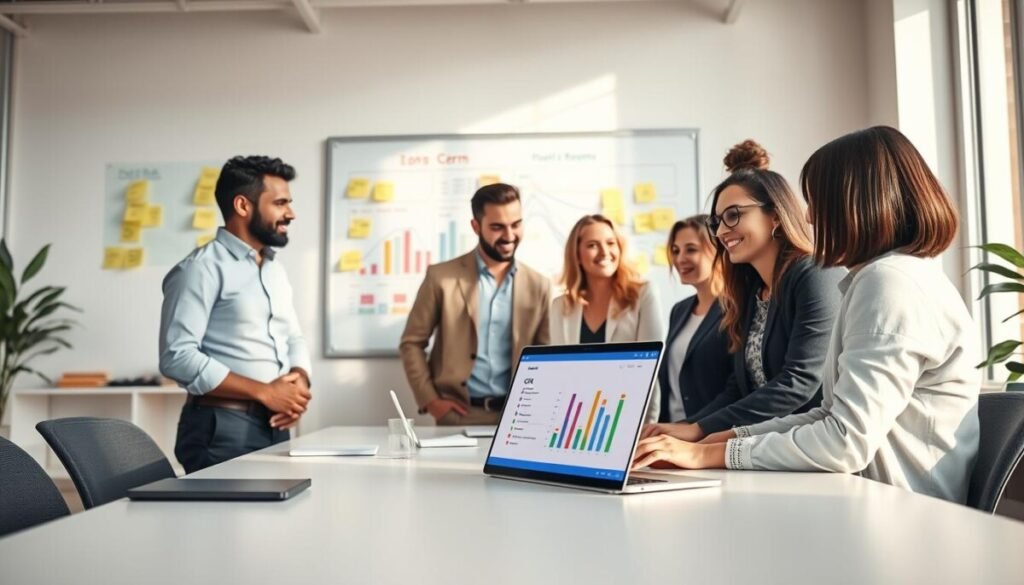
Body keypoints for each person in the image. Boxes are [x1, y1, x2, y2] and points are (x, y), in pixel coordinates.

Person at [633, 126, 980, 503]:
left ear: (860, 202)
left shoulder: (889, 283)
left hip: (904, 513)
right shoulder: (877, 279)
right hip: (869, 499)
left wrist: (708, 451)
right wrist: (729, 436)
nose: (811, 217)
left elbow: (844, 440)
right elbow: (829, 414)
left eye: (818, 201)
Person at [642, 140, 844, 442]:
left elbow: (800, 382)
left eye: (734, 215)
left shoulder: (815, 274)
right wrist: (689, 427)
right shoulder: (751, 290)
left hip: (809, 448)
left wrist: (699, 432)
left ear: (775, 215)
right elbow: (739, 386)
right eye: (717, 222)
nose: (722, 231)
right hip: (761, 446)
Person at [160, 155, 312, 474]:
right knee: (224, 524)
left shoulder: (274, 270)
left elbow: (293, 337)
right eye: (281, 202)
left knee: (273, 522)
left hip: (274, 424)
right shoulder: (200, 269)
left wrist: (298, 384)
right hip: (221, 429)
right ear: (243, 206)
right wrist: (266, 392)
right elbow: (177, 356)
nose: (290, 213)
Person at [399, 183, 551, 425]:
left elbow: (546, 357)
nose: (509, 236)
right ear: (475, 226)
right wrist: (430, 401)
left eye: (516, 224)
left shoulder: (539, 285)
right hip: (458, 415)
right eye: (497, 227)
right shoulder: (441, 277)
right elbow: (412, 343)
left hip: (519, 418)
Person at [549, 214, 664, 422]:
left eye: (611, 243)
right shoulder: (560, 306)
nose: (604, 252)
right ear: (576, 254)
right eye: (592, 245)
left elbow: (652, 371)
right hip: (577, 419)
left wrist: (648, 426)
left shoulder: (643, 294)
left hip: (628, 416)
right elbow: (560, 377)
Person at [656, 215, 732, 423]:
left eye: (691, 249)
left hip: (708, 431)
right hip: (670, 429)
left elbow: (735, 387)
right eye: (675, 250)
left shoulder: (736, 308)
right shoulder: (679, 311)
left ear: (717, 249)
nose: (680, 259)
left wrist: (690, 427)